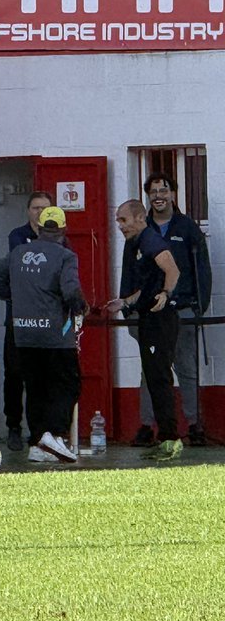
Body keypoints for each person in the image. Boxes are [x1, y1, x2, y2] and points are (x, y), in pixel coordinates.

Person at [0, 206, 86, 465]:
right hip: (55, 335)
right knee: (67, 384)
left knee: (35, 389)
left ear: (39, 228)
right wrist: (81, 307)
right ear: (63, 230)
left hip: (24, 334)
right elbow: (71, 290)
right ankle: (54, 436)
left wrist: (12, 296)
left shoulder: (19, 252)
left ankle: (37, 442)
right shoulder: (66, 256)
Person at [132, 173, 212, 447]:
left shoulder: (188, 227)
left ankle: (194, 424)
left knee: (187, 369)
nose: (158, 196)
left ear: (173, 194)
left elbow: (203, 269)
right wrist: (128, 310)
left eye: (163, 190)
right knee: (150, 371)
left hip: (184, 310)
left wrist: (200, 306)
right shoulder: (141, 229)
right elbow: (129, 273)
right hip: (151, 313)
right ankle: (147, 425)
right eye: (153, 191)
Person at [106, 200, 182, 462]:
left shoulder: (149, 239)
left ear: (140, 218)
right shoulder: (136, 245)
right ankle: (165, 437)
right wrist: (125, 302)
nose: (120, 226)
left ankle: (171, 439)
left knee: (159, 376)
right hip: (148, 319)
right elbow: (146, 286)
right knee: (152, 376)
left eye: (124, 220)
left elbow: (171, 268)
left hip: (161, 320)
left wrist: (166, 293)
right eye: (118, 220)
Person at [0, 191, 53, 451]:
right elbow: (22, 265)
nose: (40, 212)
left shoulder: (59, 237)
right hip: (18, 317)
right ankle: (13, 426)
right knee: (14, 373)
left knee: (40, 376)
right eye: (35, 207)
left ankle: (39, 430)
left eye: (45, 208)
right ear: (28, 210)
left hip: (46, 319)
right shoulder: (17, 235)